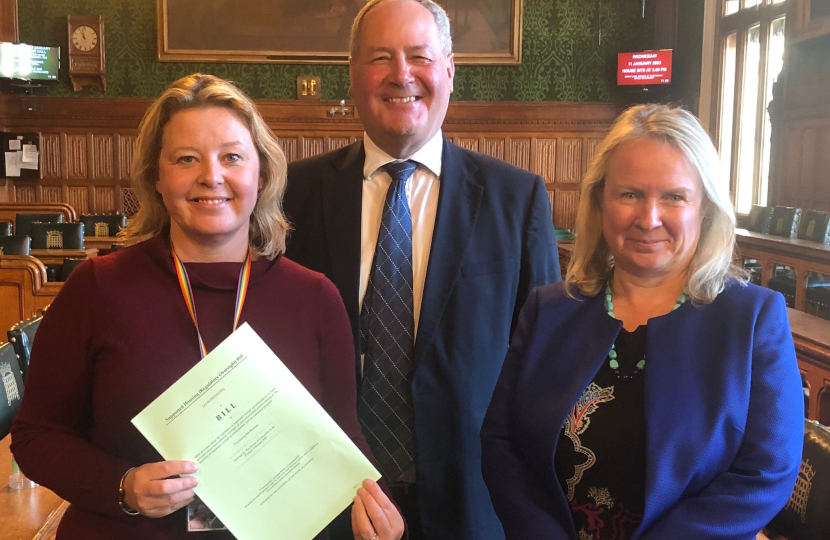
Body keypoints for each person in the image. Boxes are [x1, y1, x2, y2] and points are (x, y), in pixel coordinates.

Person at [11, 73, 403, 540]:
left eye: (232, 157)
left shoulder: (314, 298)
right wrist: (124, 487)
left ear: (262, 173)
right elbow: (36, 437)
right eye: (186, 159)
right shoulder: (97, 288)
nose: (211, 176)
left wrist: (376, 509)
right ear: (158, 177)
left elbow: (343, 436)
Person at [283, 1, 559, 538]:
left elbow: (542, 364)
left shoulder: (515, 198)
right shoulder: (295, 194)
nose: (401, 74)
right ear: (354, 74)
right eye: (381, 57)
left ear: (449, 70)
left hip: (472, 500)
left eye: (419, 56)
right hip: (323, 498)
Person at [480, 104, 804, 540]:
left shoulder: (752, 318)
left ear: (704, 207)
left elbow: (767, 472)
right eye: (629, 194)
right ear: (600, 200)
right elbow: (503, 445)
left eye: (673, 196)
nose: (648, 218)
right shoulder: (548, 309)